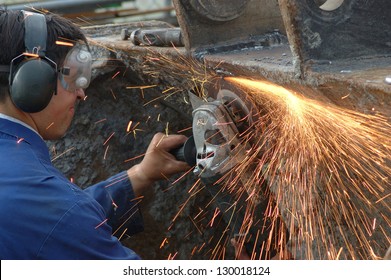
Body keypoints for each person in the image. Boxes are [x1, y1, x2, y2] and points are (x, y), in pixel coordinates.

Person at [0, 8, 189, 259]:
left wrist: (140, 174)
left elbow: (49, 222)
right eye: (72, 77)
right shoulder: (52, 207)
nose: (80, 93)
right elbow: (59, 219)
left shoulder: (30, 194)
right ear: (33, 81)